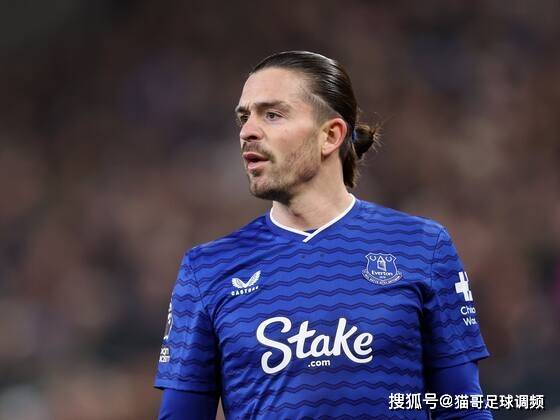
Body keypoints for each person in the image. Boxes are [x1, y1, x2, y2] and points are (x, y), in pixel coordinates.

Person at [154, 51, 492, 419]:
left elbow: (464, 408)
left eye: (272, 114)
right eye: (244, 117)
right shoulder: (207, 268)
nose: (247, 131)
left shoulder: (421, 247)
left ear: (330, 135)